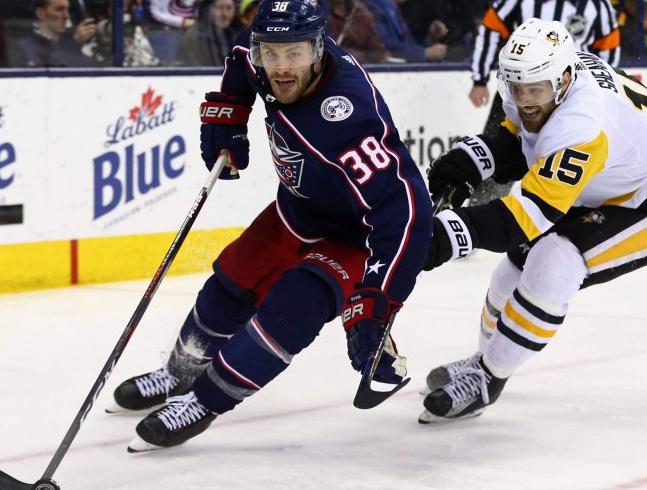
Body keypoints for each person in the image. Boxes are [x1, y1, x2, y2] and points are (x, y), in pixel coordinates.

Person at [109, 0, 432, 451]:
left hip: (353, 236)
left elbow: (408, 215)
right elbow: (243, 57)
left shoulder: (349, 119)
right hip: (295, 212)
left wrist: (377, 303)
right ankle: (177, 374)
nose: (281, 67)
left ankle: (202, 402)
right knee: (231, 283)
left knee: (290, 308)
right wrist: (229, 113)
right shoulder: (263, 52)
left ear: (319, 50)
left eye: (294, 54)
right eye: (273, 54)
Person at [417, 18, 647, 423]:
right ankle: (482, 360)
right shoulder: (542, 77)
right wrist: (471, 160)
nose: (523, 99)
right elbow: (519, 137)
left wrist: (447, 235)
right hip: (612, 181)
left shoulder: (581, 126)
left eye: (534, 90)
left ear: (563, 79)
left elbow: (528, 216)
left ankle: (488, 378)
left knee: (555, 260)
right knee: (512, 270)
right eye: (515, 87)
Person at [466, 0, 620, 207]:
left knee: (567, 163)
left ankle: (562, 214)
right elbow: (492, 27)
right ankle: (481, 210)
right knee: (500, 150)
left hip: (570, 97)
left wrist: (600, 95)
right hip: (518, 91)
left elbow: (608, 48)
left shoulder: (597, 5)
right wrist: (480, 78)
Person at [5, 0, 100, 67]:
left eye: (68, 10)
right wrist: (75, 44)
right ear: (41, 13)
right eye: (59, 9)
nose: (66, 16)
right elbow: (51, 71)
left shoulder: (68, 45)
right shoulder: (21, 48)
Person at [363, 0, 447, 62]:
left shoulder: (394, 10)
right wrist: (424, 53)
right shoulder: (373, 7)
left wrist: (430, 40)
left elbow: (409, 45)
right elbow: (384, 45)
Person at [177, 0, 241, 66]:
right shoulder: (193, 37)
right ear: (207, 9)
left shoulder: (235, 36)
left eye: (229, 7)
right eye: (219, 7)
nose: (224, 13)